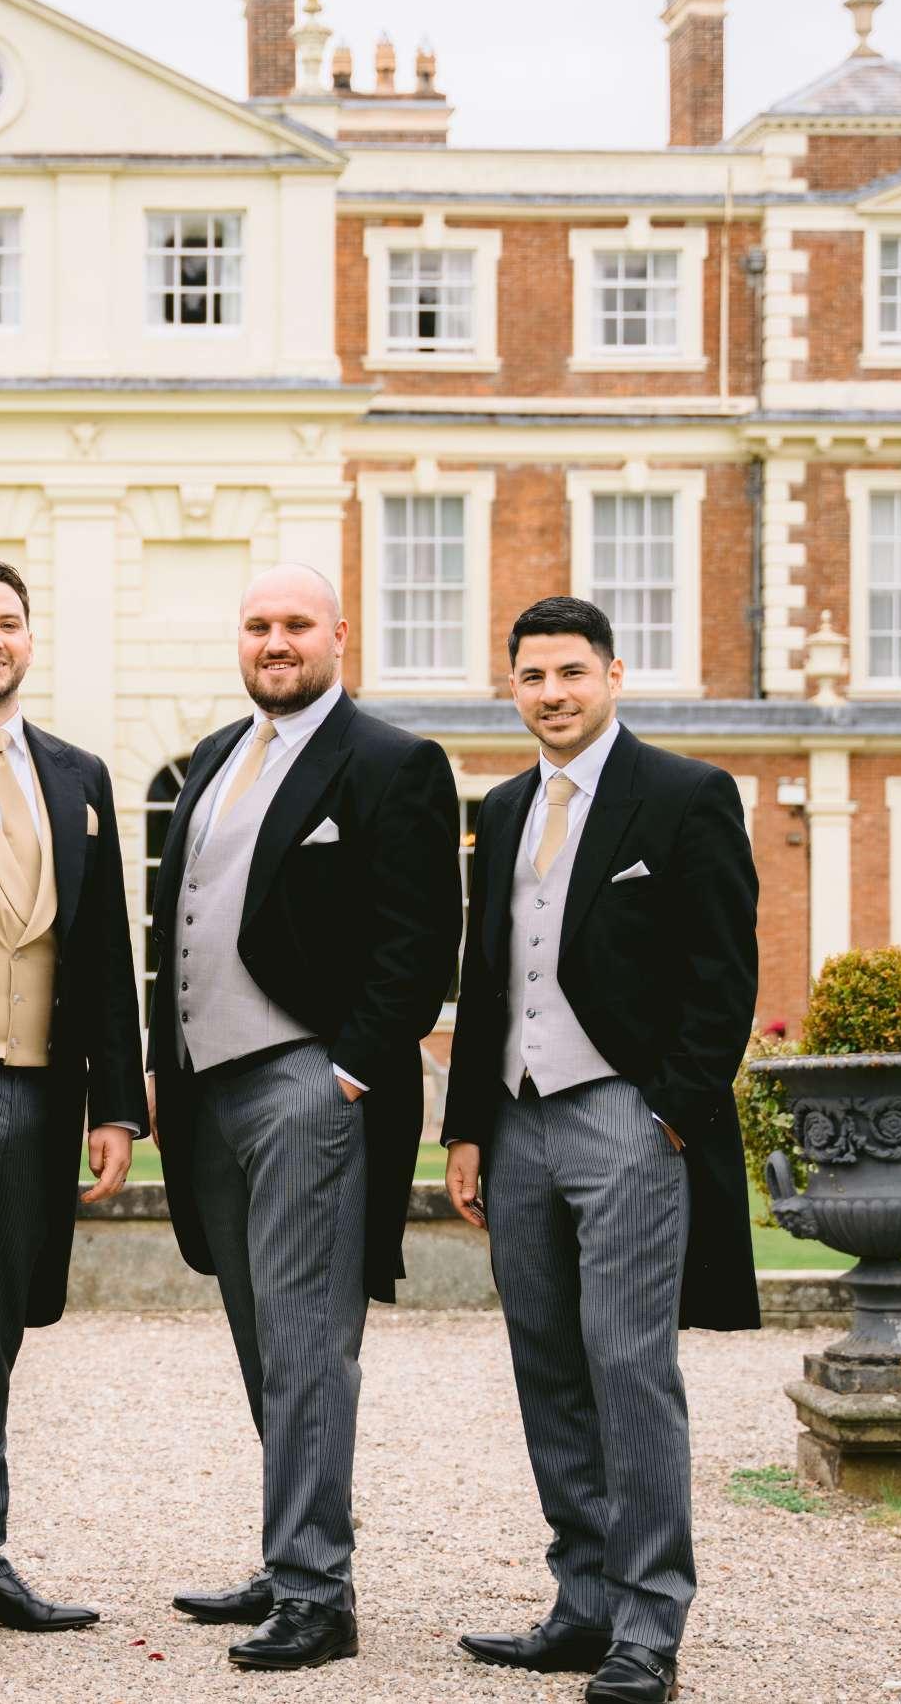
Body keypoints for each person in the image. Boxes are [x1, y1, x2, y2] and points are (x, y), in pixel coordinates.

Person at [443, 596, 760, 1704]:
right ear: (513, 688)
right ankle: (581, 1604)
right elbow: (488, 977)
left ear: (613, 676)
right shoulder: (501, 807)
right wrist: (467, 1127)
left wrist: (669, 1109)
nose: (552, 694)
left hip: (625, 1116)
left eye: (571, 672)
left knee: (628, 1365)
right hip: (515, 1118)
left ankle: (647, 1625)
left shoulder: (684, 795)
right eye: (532, 676)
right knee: (546, 1364)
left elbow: (724, 970)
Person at [147, 564, 460, 1673]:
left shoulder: (391, 761)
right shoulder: (213, 758)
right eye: (256, 625)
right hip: (207, 1092)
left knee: (308, 1345)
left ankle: (319, 1593)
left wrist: (351, 1072)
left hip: (307, 1084)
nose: (274, 641)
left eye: (294, 624)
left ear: (338, 634)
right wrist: (162, 1065)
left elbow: (418, 938)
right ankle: (291, 1557)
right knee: (258, 1336)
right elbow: (177, 926)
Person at [0, 562, 146, 1668]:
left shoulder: (77, 774)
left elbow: (106, 948)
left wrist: (116, 1102)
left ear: (31, 637)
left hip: (41, 1091)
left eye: (6, 621)